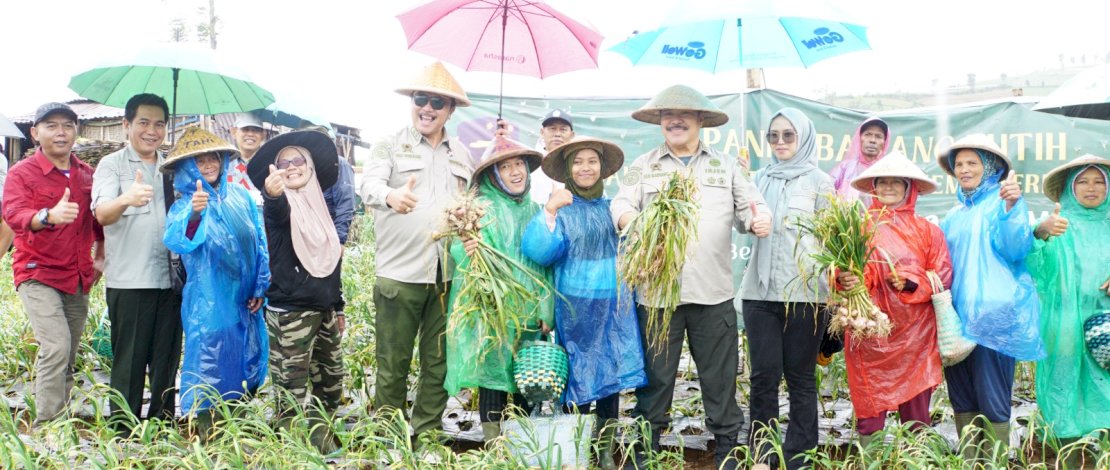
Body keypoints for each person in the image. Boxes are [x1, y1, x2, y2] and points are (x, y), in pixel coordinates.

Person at [611, 85, 771, 470]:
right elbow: (620, 202)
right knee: (655, 381)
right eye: (667, 115)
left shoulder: (726, 165)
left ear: (701, 121)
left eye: (684, 115)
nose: (675, 120)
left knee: (720, 383)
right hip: (656, 296)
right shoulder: (644, 165)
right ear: (660, 122)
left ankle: (729, 453)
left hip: (711, 294)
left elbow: (751, 205)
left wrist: (759, 218)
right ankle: (643, 454)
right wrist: (636, 223)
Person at [359, 61, 474, 440]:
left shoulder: (462, 155)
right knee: (392, 362)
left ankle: (425, 432)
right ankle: (389, 436)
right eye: (420, 99)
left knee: (438, 362)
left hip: (446, 276)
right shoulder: (390, 145)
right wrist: (391, 196)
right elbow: (369, 187)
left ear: (450, 111)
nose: (427, 108)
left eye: (436, 103)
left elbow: (472, 205)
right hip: (400, 274)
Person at [521, 137, 647, 469]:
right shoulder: (561, 209)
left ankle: (604, 450)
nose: (585, 167)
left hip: (612, 305)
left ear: (602, 168)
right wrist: (549, 210)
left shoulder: (614, 208)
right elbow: (540, 252)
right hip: (574, 307)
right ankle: (577, 447)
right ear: (567, 170)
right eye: (578, 162)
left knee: (610, 376)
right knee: (576, 375)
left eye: (592, 161)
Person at [834, 151, 952, 446]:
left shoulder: (929, 232)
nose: (888, 188)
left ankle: (914, 459)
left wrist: (911, 282)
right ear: (872, 187)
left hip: (916, 335)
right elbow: (844, 267)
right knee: (870, 407)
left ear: (909, 187)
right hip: (869, 330)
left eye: (895, 182)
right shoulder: (858, 228)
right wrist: (846, 279)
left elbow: (943, 276)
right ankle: (871, 459)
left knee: (916, 414)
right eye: (881, 182)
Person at [936, 134, 1045, 455]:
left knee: (993, 396)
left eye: (973, 163)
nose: (965, 170)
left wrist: (1012, 207)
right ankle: (971, 461)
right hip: (958, 321)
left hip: (995, 319)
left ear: (991, 167)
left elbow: (1017, 247)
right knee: (963, 396)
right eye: (959, 164)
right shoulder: (953, 216)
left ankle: (995, 461)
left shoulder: (1004, 204)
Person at [740, 108, 835, 470]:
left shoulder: (821, 183)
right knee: (763, 376)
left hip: (805, 295)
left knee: (800, 378)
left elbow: (832, 239)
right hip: (759, 295)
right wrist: (750, 217)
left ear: (804, 138)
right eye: (773, 136)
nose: (779, 142)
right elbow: (739, 217)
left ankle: (800, 457)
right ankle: (763, 455)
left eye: (788, 135)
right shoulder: (756, 179)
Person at [444, 136, 553, 443]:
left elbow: (546, 266)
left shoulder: (537, 211)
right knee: (492, 378)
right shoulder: (480, 211)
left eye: (519, 164)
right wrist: (467, 246)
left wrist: (547, 309)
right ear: (494, 175)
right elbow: (460, 253)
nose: (515, 171)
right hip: (495, 312)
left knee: (526, 378)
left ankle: (521, 442)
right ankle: (493, 443)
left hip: (530, 312)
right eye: (506, 167)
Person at [161, 127, 270, 430]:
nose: (208, 165)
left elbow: (259, 241)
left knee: (242, 356)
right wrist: (195, 214)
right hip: (209, 302)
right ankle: (209, 430)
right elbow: (182, 242)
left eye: (213, 158)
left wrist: (261, 285)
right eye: (200, 160)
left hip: (244, 299)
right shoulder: (184, 205)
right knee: (210, 360)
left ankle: (237, 425)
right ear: (187, 167)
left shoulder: (241, 197)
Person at [3, 102, 104, 426]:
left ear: (77, 130)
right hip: (37, 273)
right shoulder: (22, 173)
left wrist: (100, 257)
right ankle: (46, 427)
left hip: (77, 276)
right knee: (57, 345)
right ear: (34, 133)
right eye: (51, 125)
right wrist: (46, 216)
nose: (60, 132)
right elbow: (14, 214)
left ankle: (60, 424)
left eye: (67, 125)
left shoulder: (87, 175)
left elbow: (100, 222)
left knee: (69, 353)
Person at [247, 130, 345, 452]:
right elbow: (276, 211)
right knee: (290, 390)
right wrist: (273, 195)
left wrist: (338, 305)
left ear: (311, 165)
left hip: (325, 310)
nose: (291, 167)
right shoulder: (281, 204)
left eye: (298, 160)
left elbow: (331, 259)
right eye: (283, 162)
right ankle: (290, 450)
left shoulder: (319, 206)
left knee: (329, 383)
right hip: (291, 315)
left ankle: (321, 440)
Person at [91, 93, 182, 429]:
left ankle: (162, 430)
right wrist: (127, 198)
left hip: (171, 281)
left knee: (166, 363)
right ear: (127, 125)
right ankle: (122, 432)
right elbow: (102, 213)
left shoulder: (174, 168)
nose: (151, 130)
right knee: (128, 364)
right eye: (143, 122)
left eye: (159, 123)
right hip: (130, 282)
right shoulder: (111, 165)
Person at [1025, 154, 1110, 464]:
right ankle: (1070, 455)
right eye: (1082, 182)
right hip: (1064, 324)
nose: (1091, 188)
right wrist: (1041, 231)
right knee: (1064, 380)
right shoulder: (1059, 223)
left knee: (1104, 382)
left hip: (1105, 324)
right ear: (1069, 189)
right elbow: (1036, 265)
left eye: (1099, 181)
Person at [496, 108, 574, 205]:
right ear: (542, 132)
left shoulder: (576, 165)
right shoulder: (528, 161)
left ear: (572, 135)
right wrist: (505, 142)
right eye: (552, 129)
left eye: (563, 129)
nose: (557, 134)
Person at [829, 117, 891, 205]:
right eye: (868, 134)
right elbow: (827, 196)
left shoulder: (888, 171)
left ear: (884, 142)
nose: (872, 140)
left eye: (878, 136)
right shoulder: (844, 169)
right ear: (859, 138)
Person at [225, 113, 268, 206]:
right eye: (245, 129)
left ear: (263, 135)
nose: (250, 134)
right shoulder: (223, 163)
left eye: (256, 130)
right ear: (233, 132)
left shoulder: (270, 164)